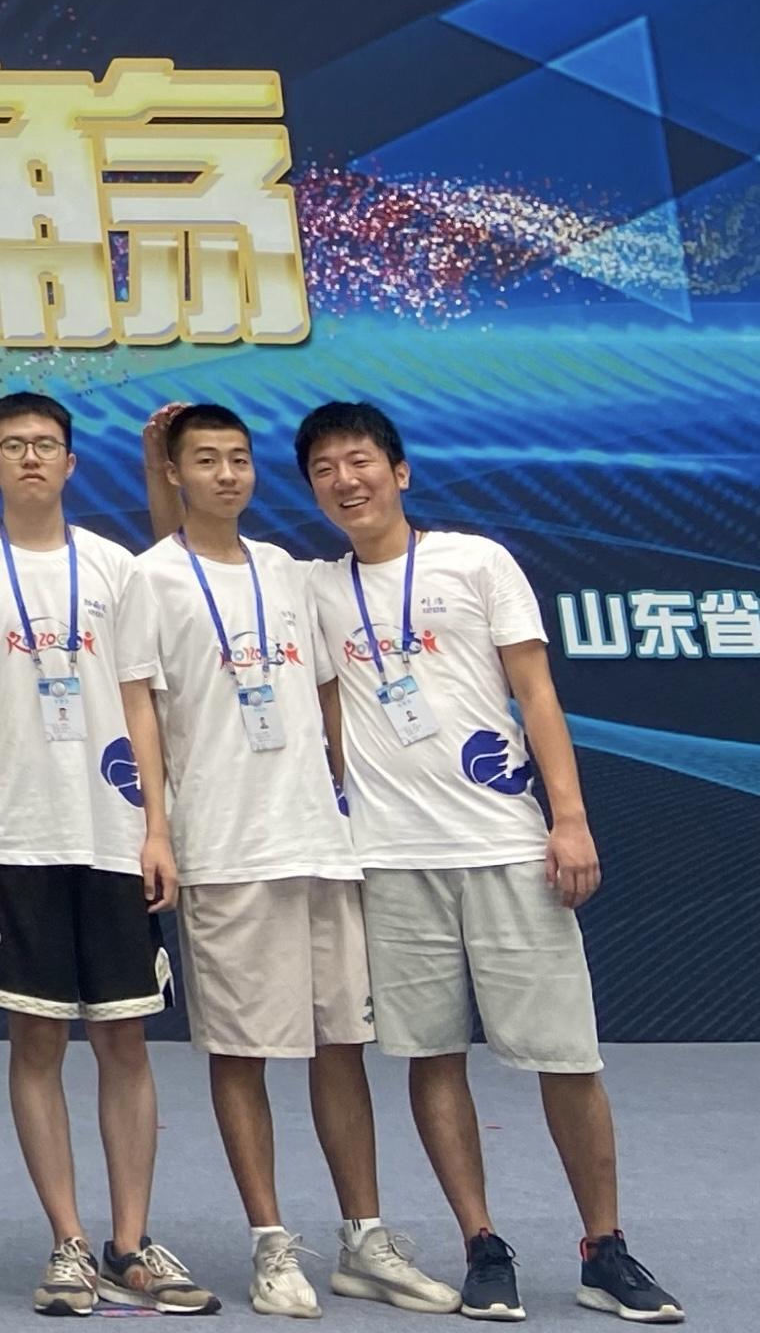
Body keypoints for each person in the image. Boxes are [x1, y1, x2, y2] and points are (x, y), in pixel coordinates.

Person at [294, 402, 681, 1327]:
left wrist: (569, 818)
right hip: (389, 860)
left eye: (360, 461)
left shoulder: (477, 561)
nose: (346, 481)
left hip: (505, 844)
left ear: (400, 471)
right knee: (432, 1057)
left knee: (567, 1057)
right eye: (324, 469)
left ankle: (604, 1249)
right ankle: (482, 1245)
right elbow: (187, 553)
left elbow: (536, 694)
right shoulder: (315, 589)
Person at [115, 405, 454, 1321]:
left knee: (341, 1045)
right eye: (204, 461)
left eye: (238, 459)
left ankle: (363, 1239)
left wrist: (342, 797)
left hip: (321, 846)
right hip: (226, 848)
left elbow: (331, 700)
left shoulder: (291, 574)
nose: (226, 474)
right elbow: (141, 710)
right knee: (242, 1052)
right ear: (176, 474)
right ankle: (270, 1243)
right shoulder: (147, 578)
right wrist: (156, 829)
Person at [0, 393, 210, 1320]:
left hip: (111, 833)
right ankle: (69, 1242)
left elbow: (139, 701)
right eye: (13, 446)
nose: (31, 459)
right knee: (38, 1038)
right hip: (17, 835)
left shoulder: (114, 567)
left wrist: (156, 828)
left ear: (71, 461)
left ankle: (131, 1242)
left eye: (47, 444)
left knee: (123, 1038)